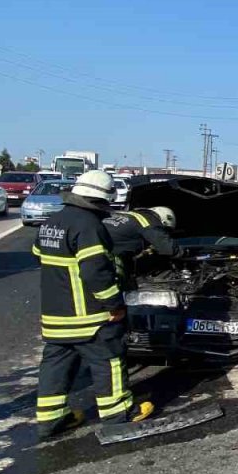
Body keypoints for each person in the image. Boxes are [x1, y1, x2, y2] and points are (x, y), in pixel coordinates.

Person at [33, 171, 153, 440]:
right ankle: (117, 415)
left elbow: (39, 256)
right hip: (88, 315)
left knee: (55, 366)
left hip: (55, 315)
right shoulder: (88, 225)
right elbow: (95, 273)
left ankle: (50, 420)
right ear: (103, 200)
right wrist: (114, 304)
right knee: (108, 360)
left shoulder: (52, 222)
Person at [102, 205, 180, 289]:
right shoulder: (150, 219)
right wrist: (184, 253)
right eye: (165, 231)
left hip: (93, 250)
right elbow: (167, 248)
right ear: (163, 221)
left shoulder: (126, 215)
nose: (165, 234)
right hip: (107, 260)